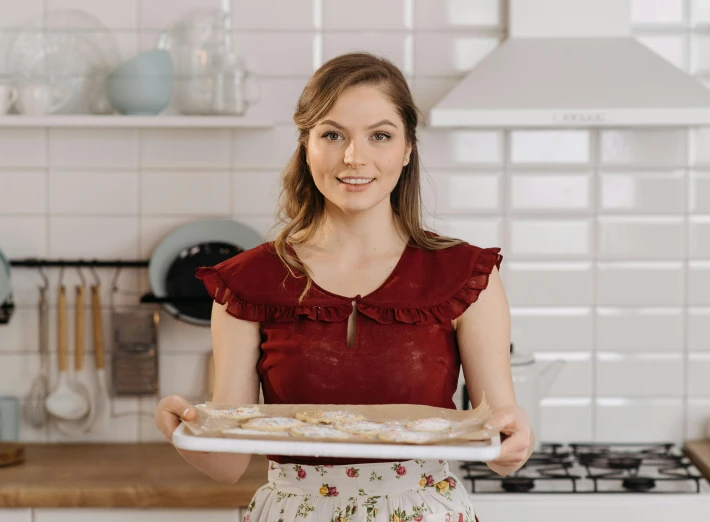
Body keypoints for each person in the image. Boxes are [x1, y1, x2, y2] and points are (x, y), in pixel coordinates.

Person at [155, 52, 533, 522]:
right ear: (306, 145)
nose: (355, 157)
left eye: (380, 135)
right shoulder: (246, 283)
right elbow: (231, 461)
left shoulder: (466, 275)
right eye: (333, 135)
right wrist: (185, 432)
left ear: (408, 148)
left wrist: (512, 443)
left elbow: (497, 434)